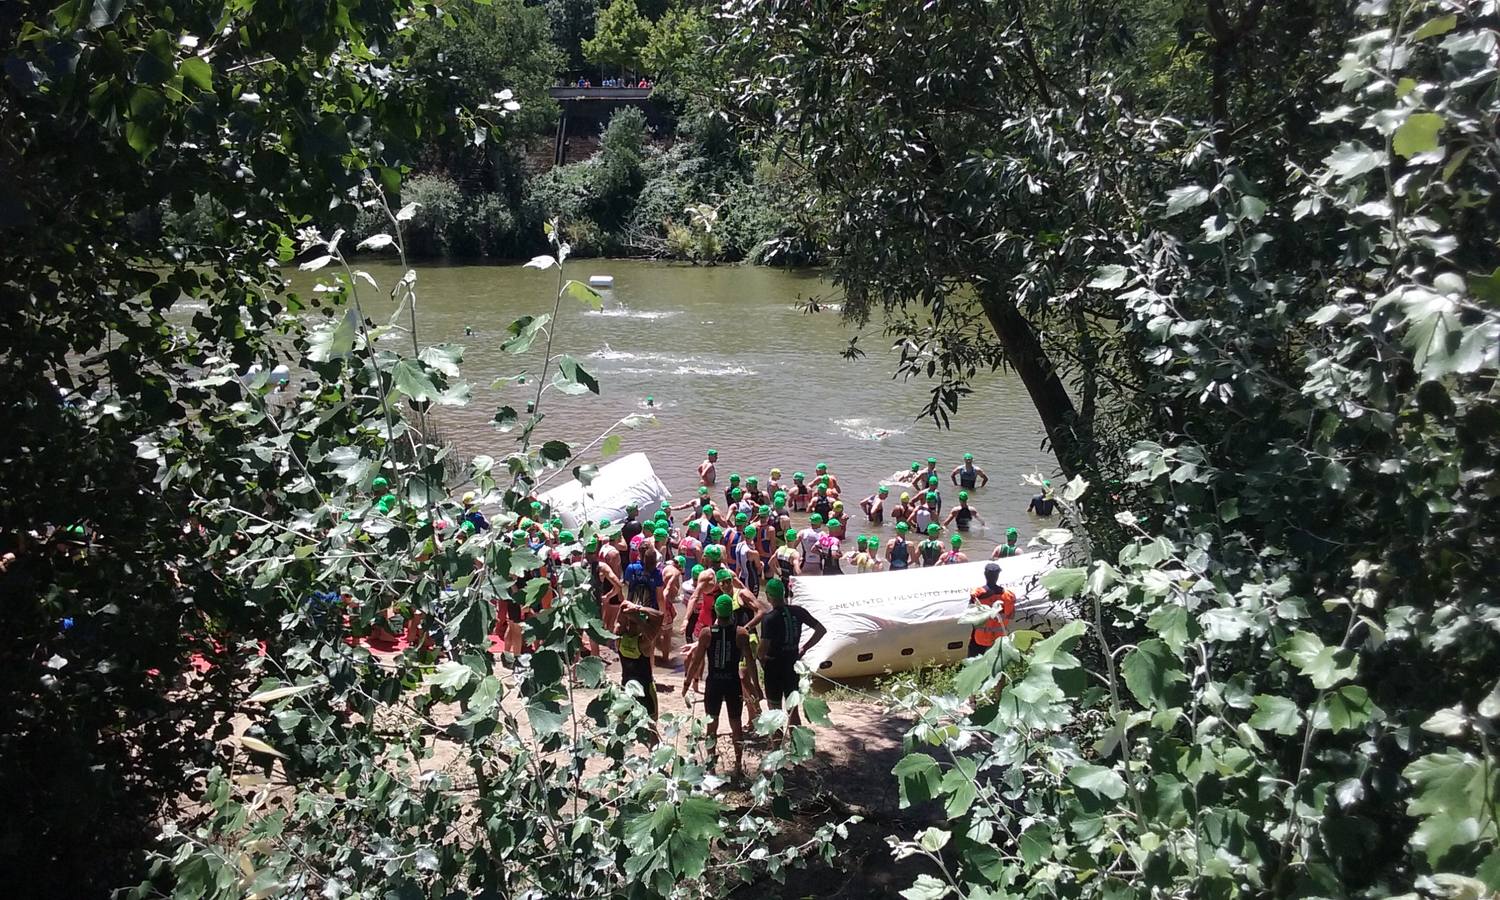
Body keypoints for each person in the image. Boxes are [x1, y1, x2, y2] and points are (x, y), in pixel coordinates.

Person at [688, 595, 751, 777]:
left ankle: (711, 765)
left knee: (712, 726)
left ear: (715, 611)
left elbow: (697, 660)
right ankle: (738, 765)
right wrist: (755, 687)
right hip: (732, 683)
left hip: (714, 683)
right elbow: (751, 662)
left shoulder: (707, 633)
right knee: (736, 725)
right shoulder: (741, 633)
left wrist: (687, 681)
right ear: (732, 612)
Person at [758, 577, 826, 727]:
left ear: (768, 596)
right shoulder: (798, 611)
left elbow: (763, 647)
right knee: (793, 710)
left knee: (774, 711)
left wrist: (760, 658)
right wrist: (804, 648)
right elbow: (821, 630)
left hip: (774, 667)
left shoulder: (769, 618)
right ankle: (796, 744)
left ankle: (776, 746)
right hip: (792, 664)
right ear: (783, 594)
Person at [617, 569, 666, 728]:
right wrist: (638, 610)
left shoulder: (618, 639)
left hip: (626, 689)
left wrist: (626, 607)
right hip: (645, 691)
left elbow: (620, 618)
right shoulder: (644, 643)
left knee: (623, 730)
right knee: (652, 732)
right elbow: (659, 616)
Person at [967, 563, 1016, 657]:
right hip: (999, 639)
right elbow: (1011, 615)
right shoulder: (1007, 596)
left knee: (974, 664)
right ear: (997, 576)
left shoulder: (977, 595)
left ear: (985, 575)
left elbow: (970, 616)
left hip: (980, 638)